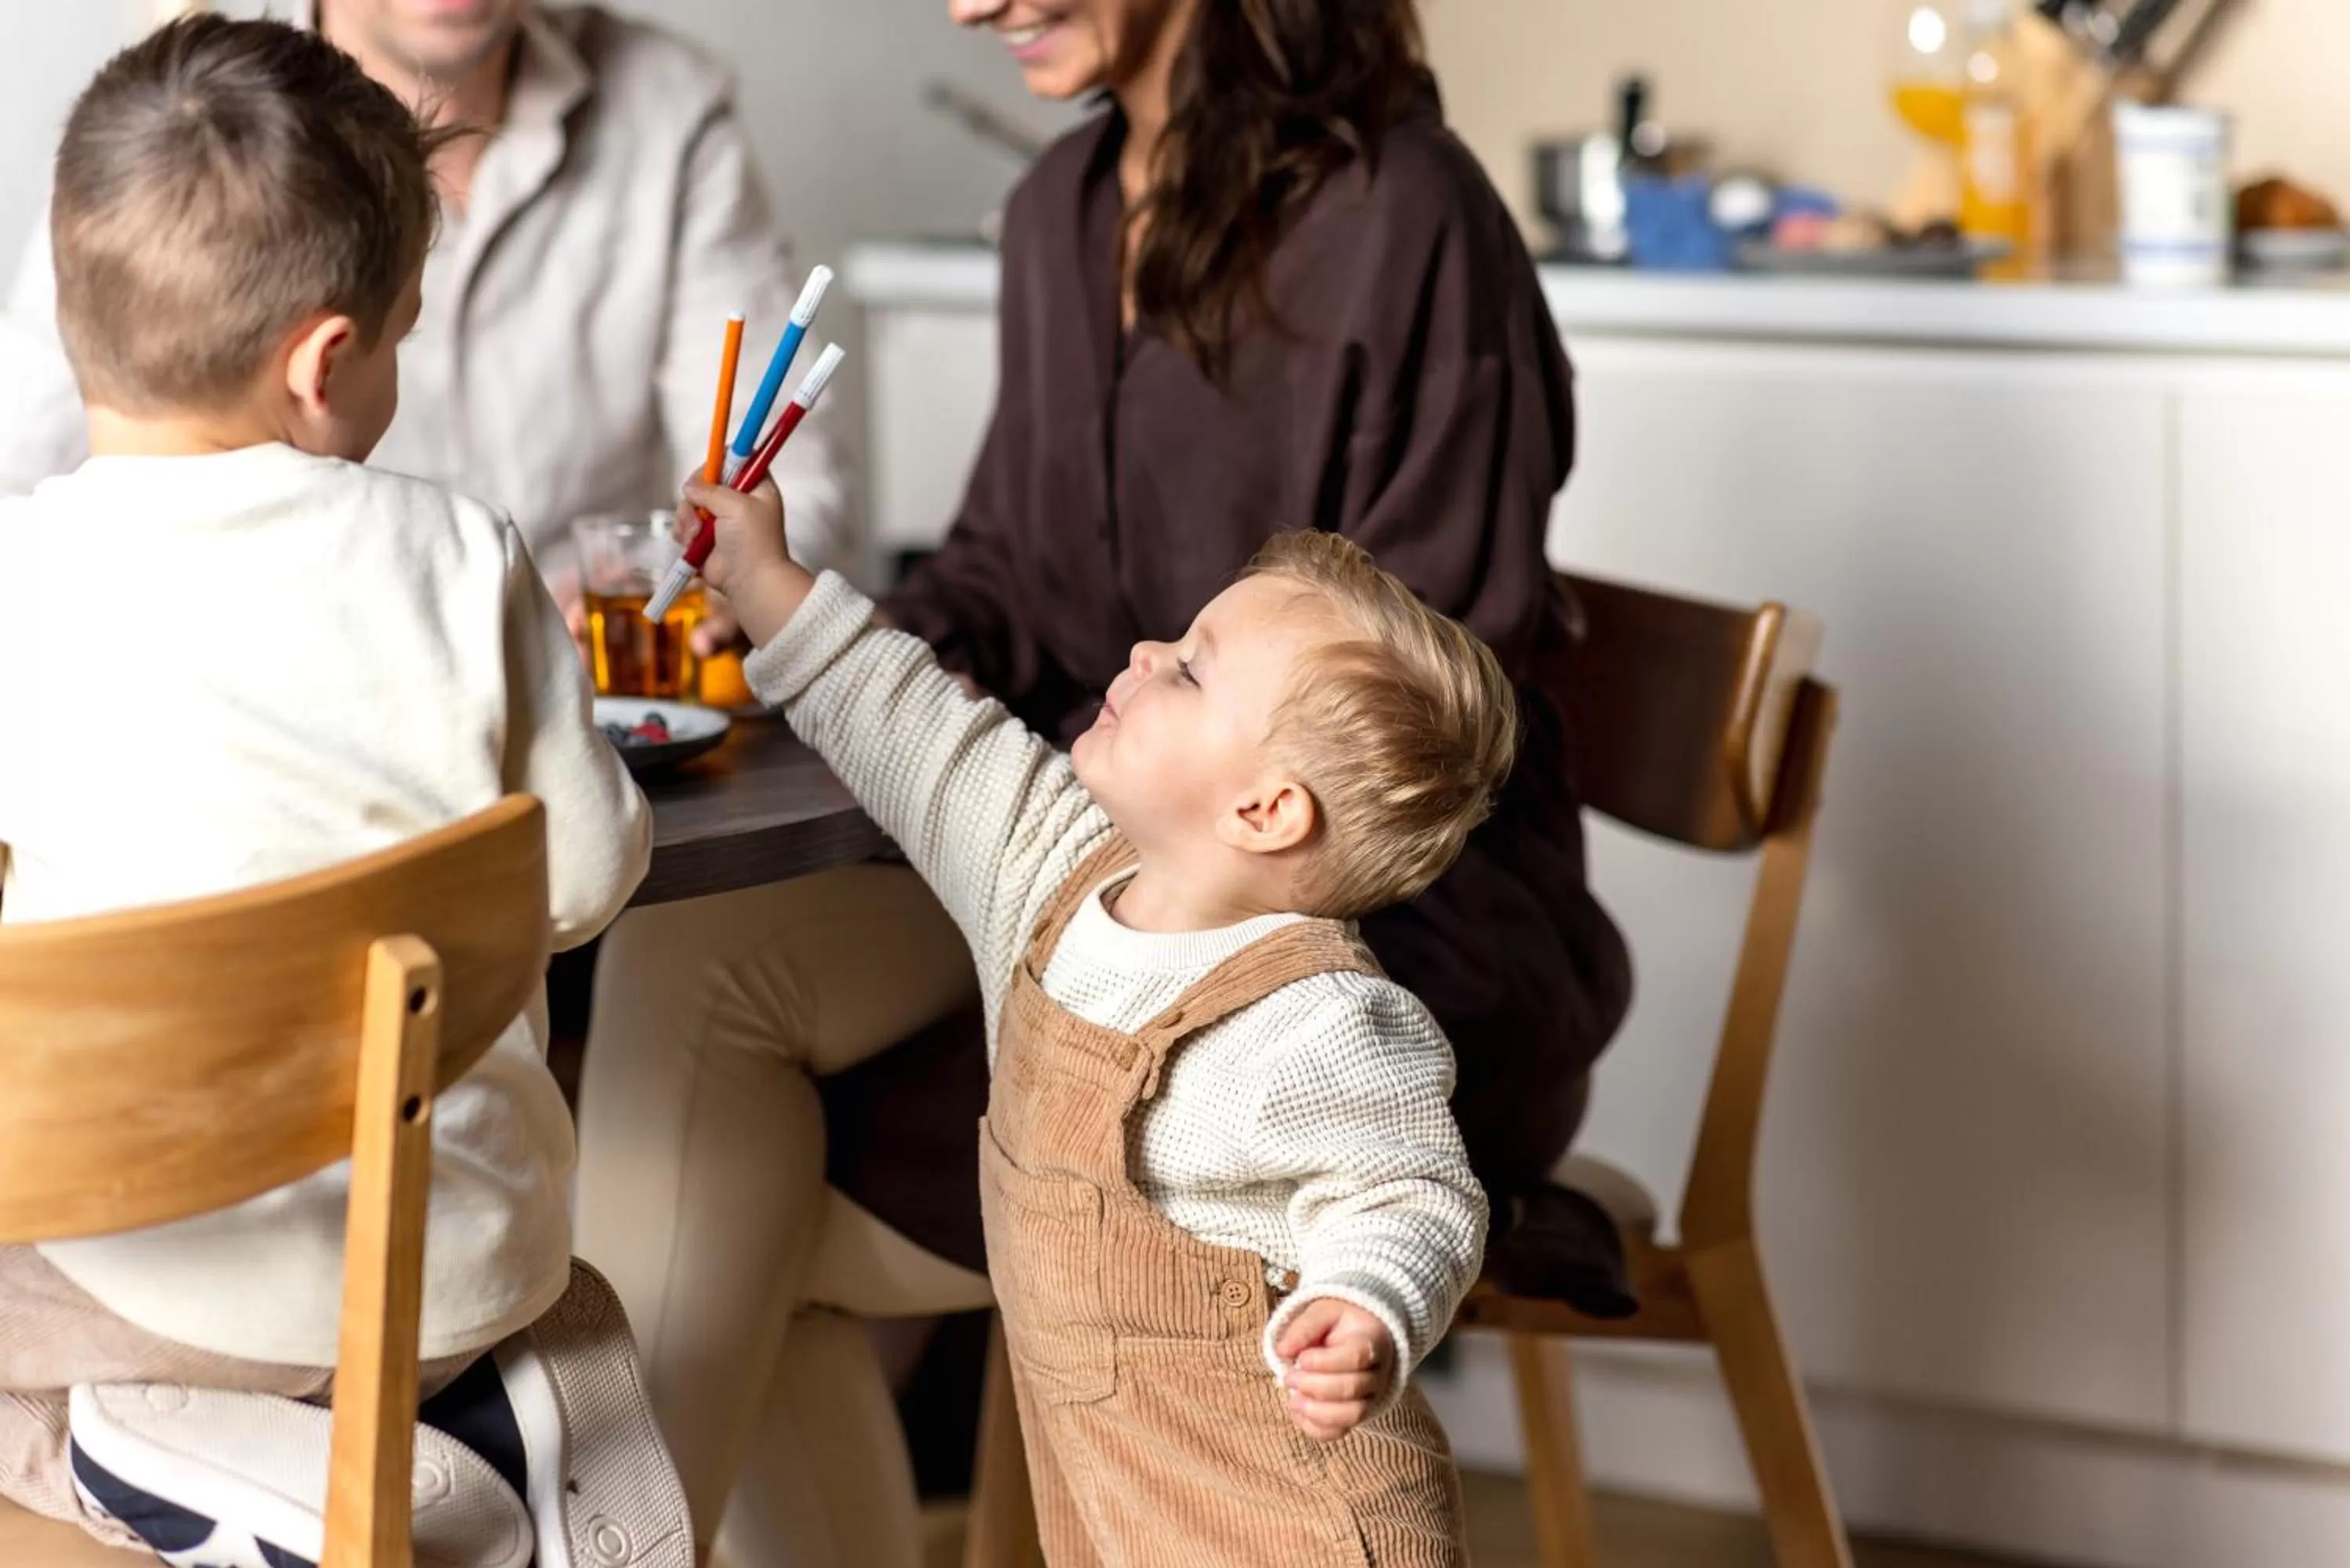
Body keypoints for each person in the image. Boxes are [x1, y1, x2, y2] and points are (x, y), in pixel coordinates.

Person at [574, 0, 1631, 1561]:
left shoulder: (1409, 218)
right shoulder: (1057, 214)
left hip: (1371, 945)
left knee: (741, 1172)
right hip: (1100, 875)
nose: (972, 8)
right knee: (681, 974)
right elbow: (999, 575)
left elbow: (1398, 712)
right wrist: (784, 618)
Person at [0, 20, 679, 1565]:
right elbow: (580, 881)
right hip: (460, 1267)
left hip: (171, 1294)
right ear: (325, 364)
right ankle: (465, 1420)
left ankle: (154, 1454)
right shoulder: (464, 555)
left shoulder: (13, 584)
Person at [689, 466, 1504, 1565]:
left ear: (1262, 809)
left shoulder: (1317, 1024)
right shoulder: (1046, 872)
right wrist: (765, 575)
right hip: (1119, 1512)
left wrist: (1366, 1301)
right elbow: (919, 728)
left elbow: (1412, 1191)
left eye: (1189, 671)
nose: (1142, 656)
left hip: (1307, 1529)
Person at [0, 0, 848, 609]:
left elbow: (781, 488)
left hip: (603, 675)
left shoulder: (672, 107)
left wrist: (704, 597)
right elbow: (15, 478)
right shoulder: (171, 133)